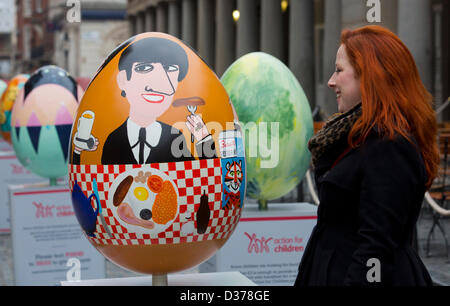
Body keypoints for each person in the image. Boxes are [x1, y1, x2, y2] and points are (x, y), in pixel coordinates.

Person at [295, 25, 439, 286]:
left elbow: (376, 250)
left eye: (339, 71)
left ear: (370, 76)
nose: (330, 81)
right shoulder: (356, 135)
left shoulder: (391, 145)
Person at [72, 37, 216, 165]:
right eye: (144, 68)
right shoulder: (114, 139)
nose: (160, 83)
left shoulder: (175, 137)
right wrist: (78, 150)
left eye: (170, 69)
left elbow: (204, 175)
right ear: (123, 80)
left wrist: (203, 139)